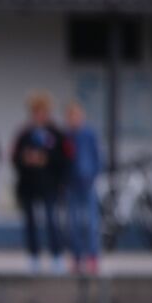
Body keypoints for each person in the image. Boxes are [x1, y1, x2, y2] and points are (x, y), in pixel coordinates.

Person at [11, 90, 66, 273]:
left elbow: (64, 158)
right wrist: (26, 159)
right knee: (30, 222)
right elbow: (14, 157)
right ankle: (33, 256)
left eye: (43, 111)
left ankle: (57, 256)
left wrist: (45, 158)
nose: (40, 115)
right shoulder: (24, 133)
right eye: (36, 111)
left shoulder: (56, 133)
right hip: (28, 185)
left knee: (52, 220)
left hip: (49, 184)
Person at [62, 100, 103, 275]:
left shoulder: (90, 134)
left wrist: (93, 174)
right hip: (71, 185)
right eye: (71, 116)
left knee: (92, 223)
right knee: (73, 223)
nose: (75, 119)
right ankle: (77, 257)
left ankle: (93, 257)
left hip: (88, 184)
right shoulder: (66, 136)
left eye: (77, 116)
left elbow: (98, 157)